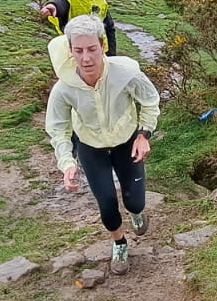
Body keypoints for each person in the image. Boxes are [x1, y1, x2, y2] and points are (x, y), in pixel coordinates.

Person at [45, 14, 160, 275]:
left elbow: (150, 99)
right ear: (70, 51)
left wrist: (144, 135)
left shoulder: (126, 72)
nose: (86, 58)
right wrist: (66, 163)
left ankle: (137, 213)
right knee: (107, 203)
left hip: (126, 142)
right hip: (90, 146)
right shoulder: (63, 88)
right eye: (79, 50)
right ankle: (119, 243)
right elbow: (57, 128)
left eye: (92, 49)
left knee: (135, 202)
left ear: (103, 46)